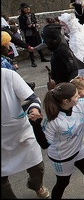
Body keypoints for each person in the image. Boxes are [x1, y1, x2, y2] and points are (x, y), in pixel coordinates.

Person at [1, 68, 50, 199]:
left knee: (38, 168)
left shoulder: (8, 76)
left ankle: (36, 185)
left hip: (20, 132)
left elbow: (30, 99)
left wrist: (33, 109)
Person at [41, 23, 84, 88]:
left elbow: (73, 70)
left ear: (54, 39)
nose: (45, 42)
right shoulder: (56, 49)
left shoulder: (62, 50)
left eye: (46, 40)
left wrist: (66, 89)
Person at [17, 3, 49, 67]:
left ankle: (42, 58)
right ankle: (33, 61)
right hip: (29, 34)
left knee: (39, 44)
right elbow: (22, 27)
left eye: (28, 7)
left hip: (35, 32)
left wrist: (36, 25)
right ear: (23, 9)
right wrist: (29, 26)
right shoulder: (21, 17)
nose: (28, 9)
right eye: (26, 8)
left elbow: (35, 21)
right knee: (30, 47)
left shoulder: (32, 14)